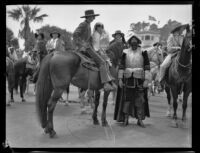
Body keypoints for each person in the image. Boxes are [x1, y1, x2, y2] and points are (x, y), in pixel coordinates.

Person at [113, 32, 151, 128]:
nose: (134, 44)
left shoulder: (143, 51)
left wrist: (147, 80)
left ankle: (139, 119)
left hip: (140, 79)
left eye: (135, 42)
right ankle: (125, 119)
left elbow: (147, 66)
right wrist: (120, 79)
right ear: (130, 43)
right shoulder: (125, 52)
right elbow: (121, 66)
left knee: (139, 100)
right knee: (127, 99)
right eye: (132, 42)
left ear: (138, 43)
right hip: (128, 78)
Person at [73, 9, 116, 91]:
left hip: (88, 47)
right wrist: (82, 44)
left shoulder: (88, 25)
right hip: (85, 48)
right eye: (92, 16)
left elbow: (88, 39)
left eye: (94, 17)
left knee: (104, 59)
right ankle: (105, 83)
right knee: (102, 62)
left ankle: (108, 80)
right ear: (88, 17)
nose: (94, 18)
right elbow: (75, 34)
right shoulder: (84, 24)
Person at [158, 24, 188, 91]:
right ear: (177, 30)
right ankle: (161, 81)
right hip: (172, 54)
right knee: (163, 66)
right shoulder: (171, 37)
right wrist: (178, 48)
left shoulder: (182, 37)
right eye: (181, 29)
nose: (182, 31)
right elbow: (169, 48)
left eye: (183, 30)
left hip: (182, 54)